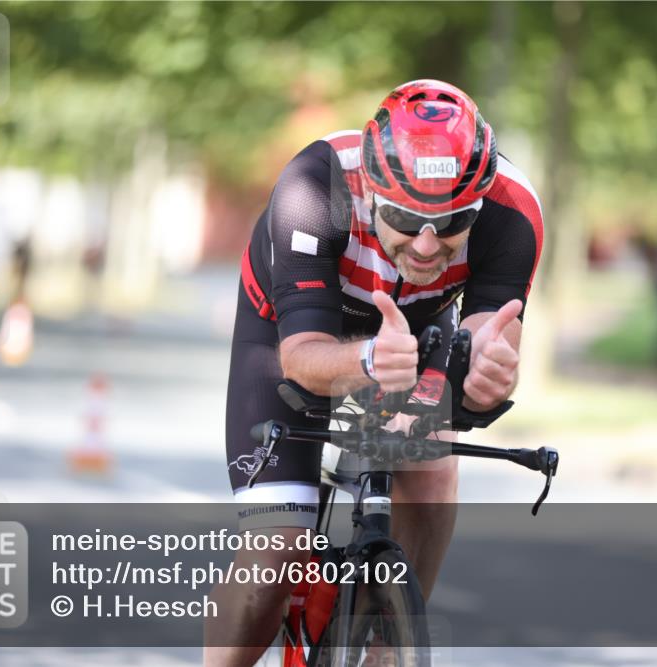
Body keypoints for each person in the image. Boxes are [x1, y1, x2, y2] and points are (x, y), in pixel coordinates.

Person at [206, 79, 543, 665]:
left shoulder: (511, 211)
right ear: (371, 190)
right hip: (289, 329)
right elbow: (302, 357)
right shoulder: (315, 186)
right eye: (406, 219)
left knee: (431, 475)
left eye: (452, 223)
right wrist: (366, 361)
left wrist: (490, 378)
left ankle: (389, 646)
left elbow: (488, 343)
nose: (427, 246)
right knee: (277, 551)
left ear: (479, 202)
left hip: (414, 328)